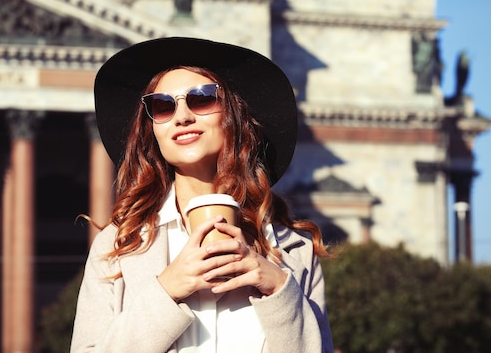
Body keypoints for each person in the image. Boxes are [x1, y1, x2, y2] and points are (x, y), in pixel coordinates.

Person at [70, 37, 334, 352]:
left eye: (202, 98)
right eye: (163, 105)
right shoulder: (119, 245)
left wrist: (278, 289)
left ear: (234, 115)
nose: (182, 116)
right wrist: (167, 290)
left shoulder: (295, 252)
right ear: (152, 129)